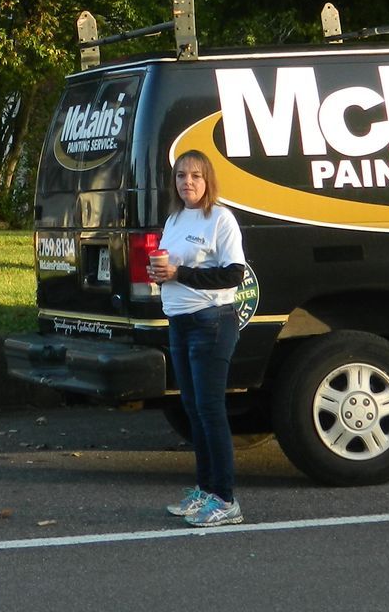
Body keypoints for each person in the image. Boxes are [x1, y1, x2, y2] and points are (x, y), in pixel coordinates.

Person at [152, 148, 248, 528]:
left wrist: (180, 275)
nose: (187, 182)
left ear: (207, 180)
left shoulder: (220, 219)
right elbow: (171, 267)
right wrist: (160, 274)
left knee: (210, 409)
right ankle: (205, 490)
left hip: (211, 322)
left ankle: (226, 499)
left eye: (195, 175)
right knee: (192, 409)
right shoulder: (174, 219)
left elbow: (233, 274)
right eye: (180, 175)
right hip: (179, 322)